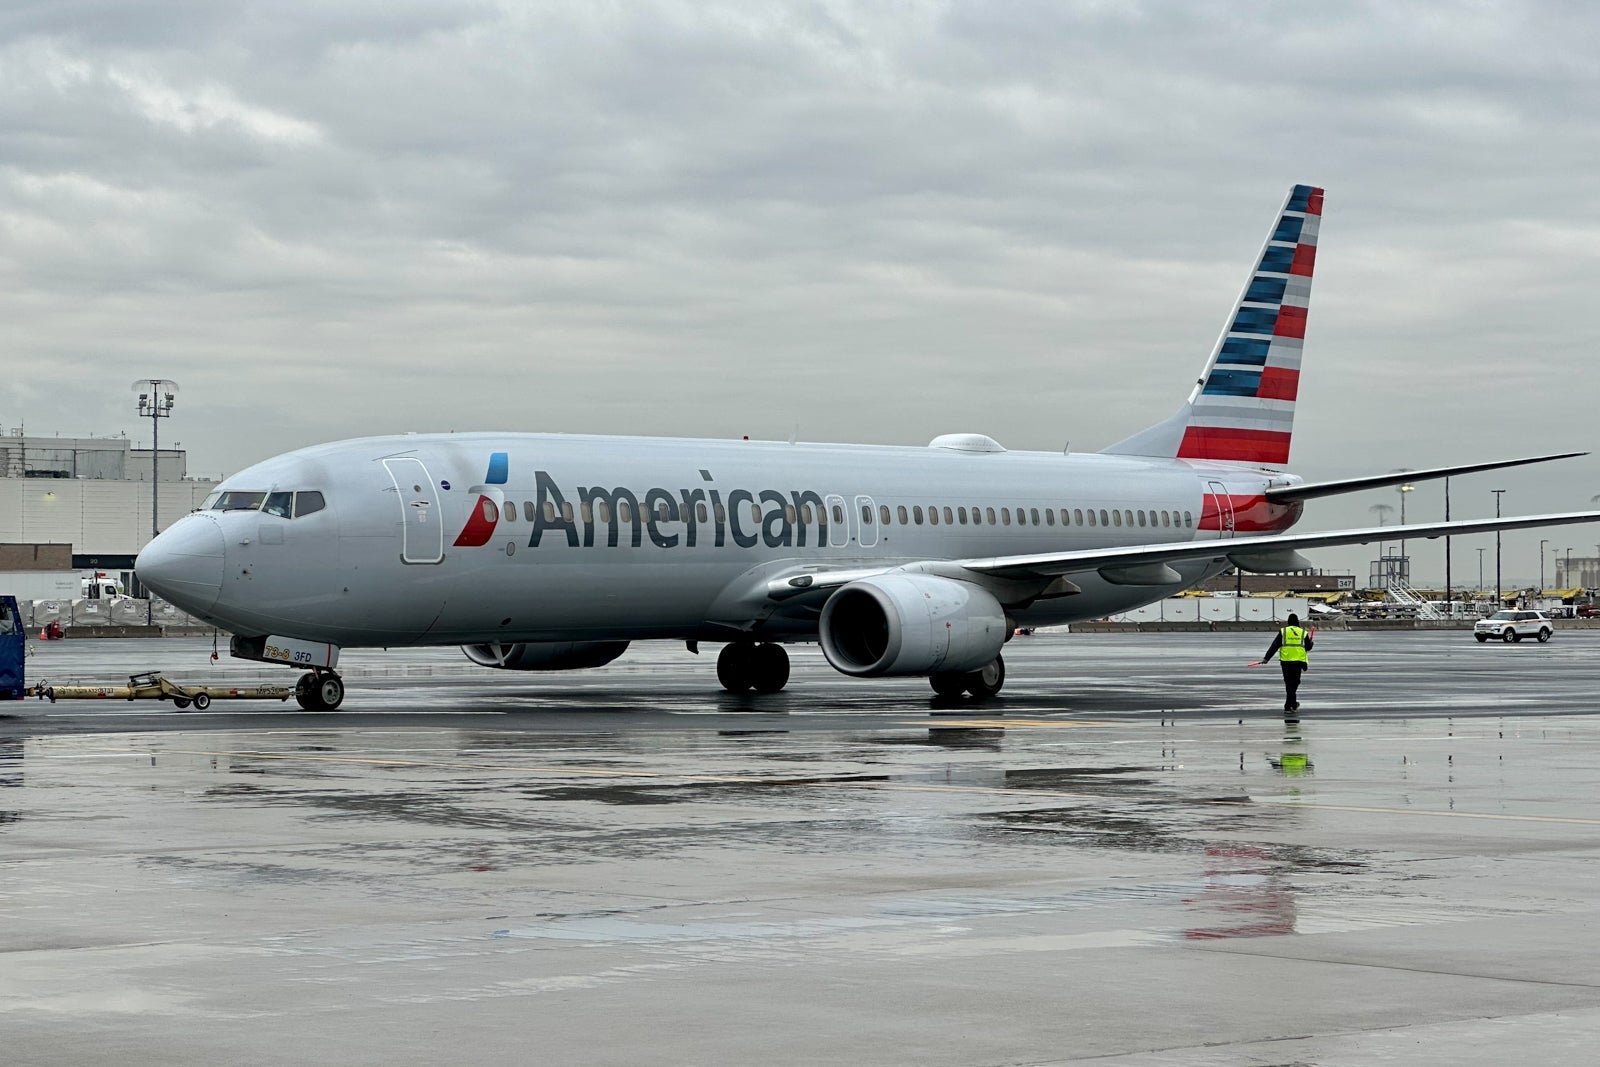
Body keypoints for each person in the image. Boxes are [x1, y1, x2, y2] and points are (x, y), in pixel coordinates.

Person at [1262, 613, 1312, 712]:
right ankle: (1290, 704)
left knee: (1289, 683)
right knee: (1295, 683)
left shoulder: (1283, 631)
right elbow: (1308, 647)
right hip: (1298, 661)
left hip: (1286, 661)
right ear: (1298, 621)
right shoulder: (1303, 632)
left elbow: (1274, 646)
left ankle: (1291, 704)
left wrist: (1266, 658)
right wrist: (1311, 643)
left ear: (1288, 622)